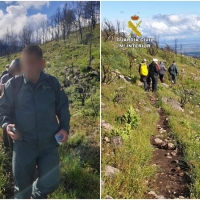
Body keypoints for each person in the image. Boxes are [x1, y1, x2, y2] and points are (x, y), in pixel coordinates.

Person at [0, 45, 70, 198]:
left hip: (48, 144)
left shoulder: (52, 84)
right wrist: (6, 125)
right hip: (23, 144)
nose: (28, 67)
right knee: (21, 189)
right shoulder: (14, 85)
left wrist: (64, 128)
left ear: (42, 63)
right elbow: (2, 110)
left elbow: (63, 108)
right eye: (25, 63)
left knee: (51, 181)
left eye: (33, 62)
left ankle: (34, 194)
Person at [0, 59, 21, 151]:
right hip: (7, 105)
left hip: (18, 108)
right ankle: (7, 148)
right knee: (6, 127)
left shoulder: (22, 78)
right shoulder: (5, 77)